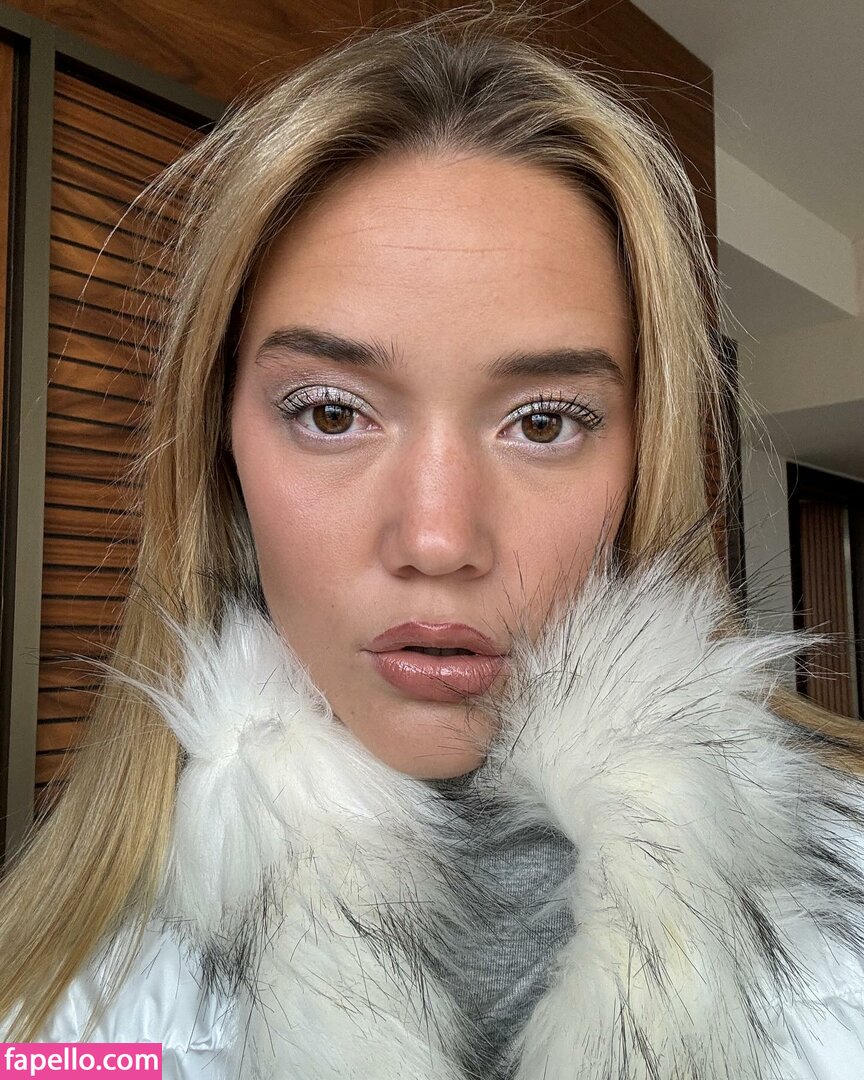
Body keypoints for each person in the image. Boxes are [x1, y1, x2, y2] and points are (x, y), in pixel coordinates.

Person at [2, 7, 864, 1078]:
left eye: (543, 422)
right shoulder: (49, 1027)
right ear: (220, 454)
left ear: (646, 459)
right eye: (330, 412)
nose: (439, 539)